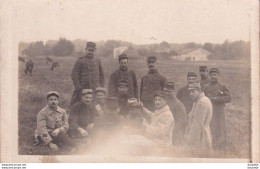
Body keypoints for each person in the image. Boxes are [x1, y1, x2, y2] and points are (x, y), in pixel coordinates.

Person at [204, 68, 231, 149]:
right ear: (209, 76)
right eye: (212, 75)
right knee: (210, 127)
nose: (213, 76)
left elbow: (229, 98)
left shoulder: (222, 86)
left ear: (218, 76)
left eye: (215, 75)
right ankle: (211, 144)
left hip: (219, 111)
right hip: (209, 111)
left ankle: (221, 146)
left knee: (220, 127)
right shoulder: (206, 87)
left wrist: (216, 99)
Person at [185, 83, 213, 155]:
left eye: (193, 91)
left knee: (199, 157)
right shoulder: (199, 100)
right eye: (189, 92)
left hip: (200, 136)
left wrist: (191, 139)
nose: (191, 94)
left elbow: (197, 125)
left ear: (199, 91)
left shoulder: (201, 102)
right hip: (202, 133)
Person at [163, 82, 187, 146]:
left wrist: (173, 131)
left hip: (174, 133)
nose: (167, 93)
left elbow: (182, 120)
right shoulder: (164, 102)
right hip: (164, 131)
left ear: (174, 92)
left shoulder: (178, 104)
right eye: (165, 91)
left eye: (169, 92)